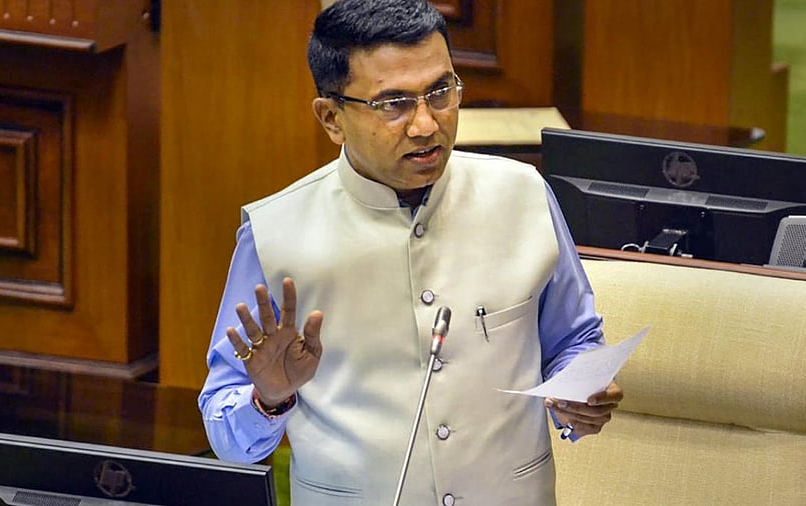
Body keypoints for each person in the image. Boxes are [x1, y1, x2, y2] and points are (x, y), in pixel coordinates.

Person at [198, 0, 623, 504]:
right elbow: (229, 440)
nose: (426, 124)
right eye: (393, 104)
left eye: (440, 92)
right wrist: (268, 399)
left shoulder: (523, 195)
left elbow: (575, 341)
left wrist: (580, 393)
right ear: (331, 117)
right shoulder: (274, 233)